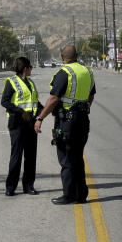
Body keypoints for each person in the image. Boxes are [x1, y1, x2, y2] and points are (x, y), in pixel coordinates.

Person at [34, 44, 96, 205]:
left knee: (67, 159)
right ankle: (81, 195)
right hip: (83, 119)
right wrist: (83, 108)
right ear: (77, 56)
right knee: (77, 158)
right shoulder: (87, 71)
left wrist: (40, 118)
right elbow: (91, 96)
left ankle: (68, 195)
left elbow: (54, 99)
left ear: (63, 57)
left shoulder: (65, 72)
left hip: (67, 121)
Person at [0, 56, 43, 196]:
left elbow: (35, 102)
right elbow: (4, 101)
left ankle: (28, 185)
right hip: (17, 123)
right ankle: (10, 186)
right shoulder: (11, 82)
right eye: (30, 67)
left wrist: (48, 110)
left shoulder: (31, 83)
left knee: (31, 156)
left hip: (30, 122)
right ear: (26, 69)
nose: (31, 70)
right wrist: (20, 111)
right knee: (16, 156)